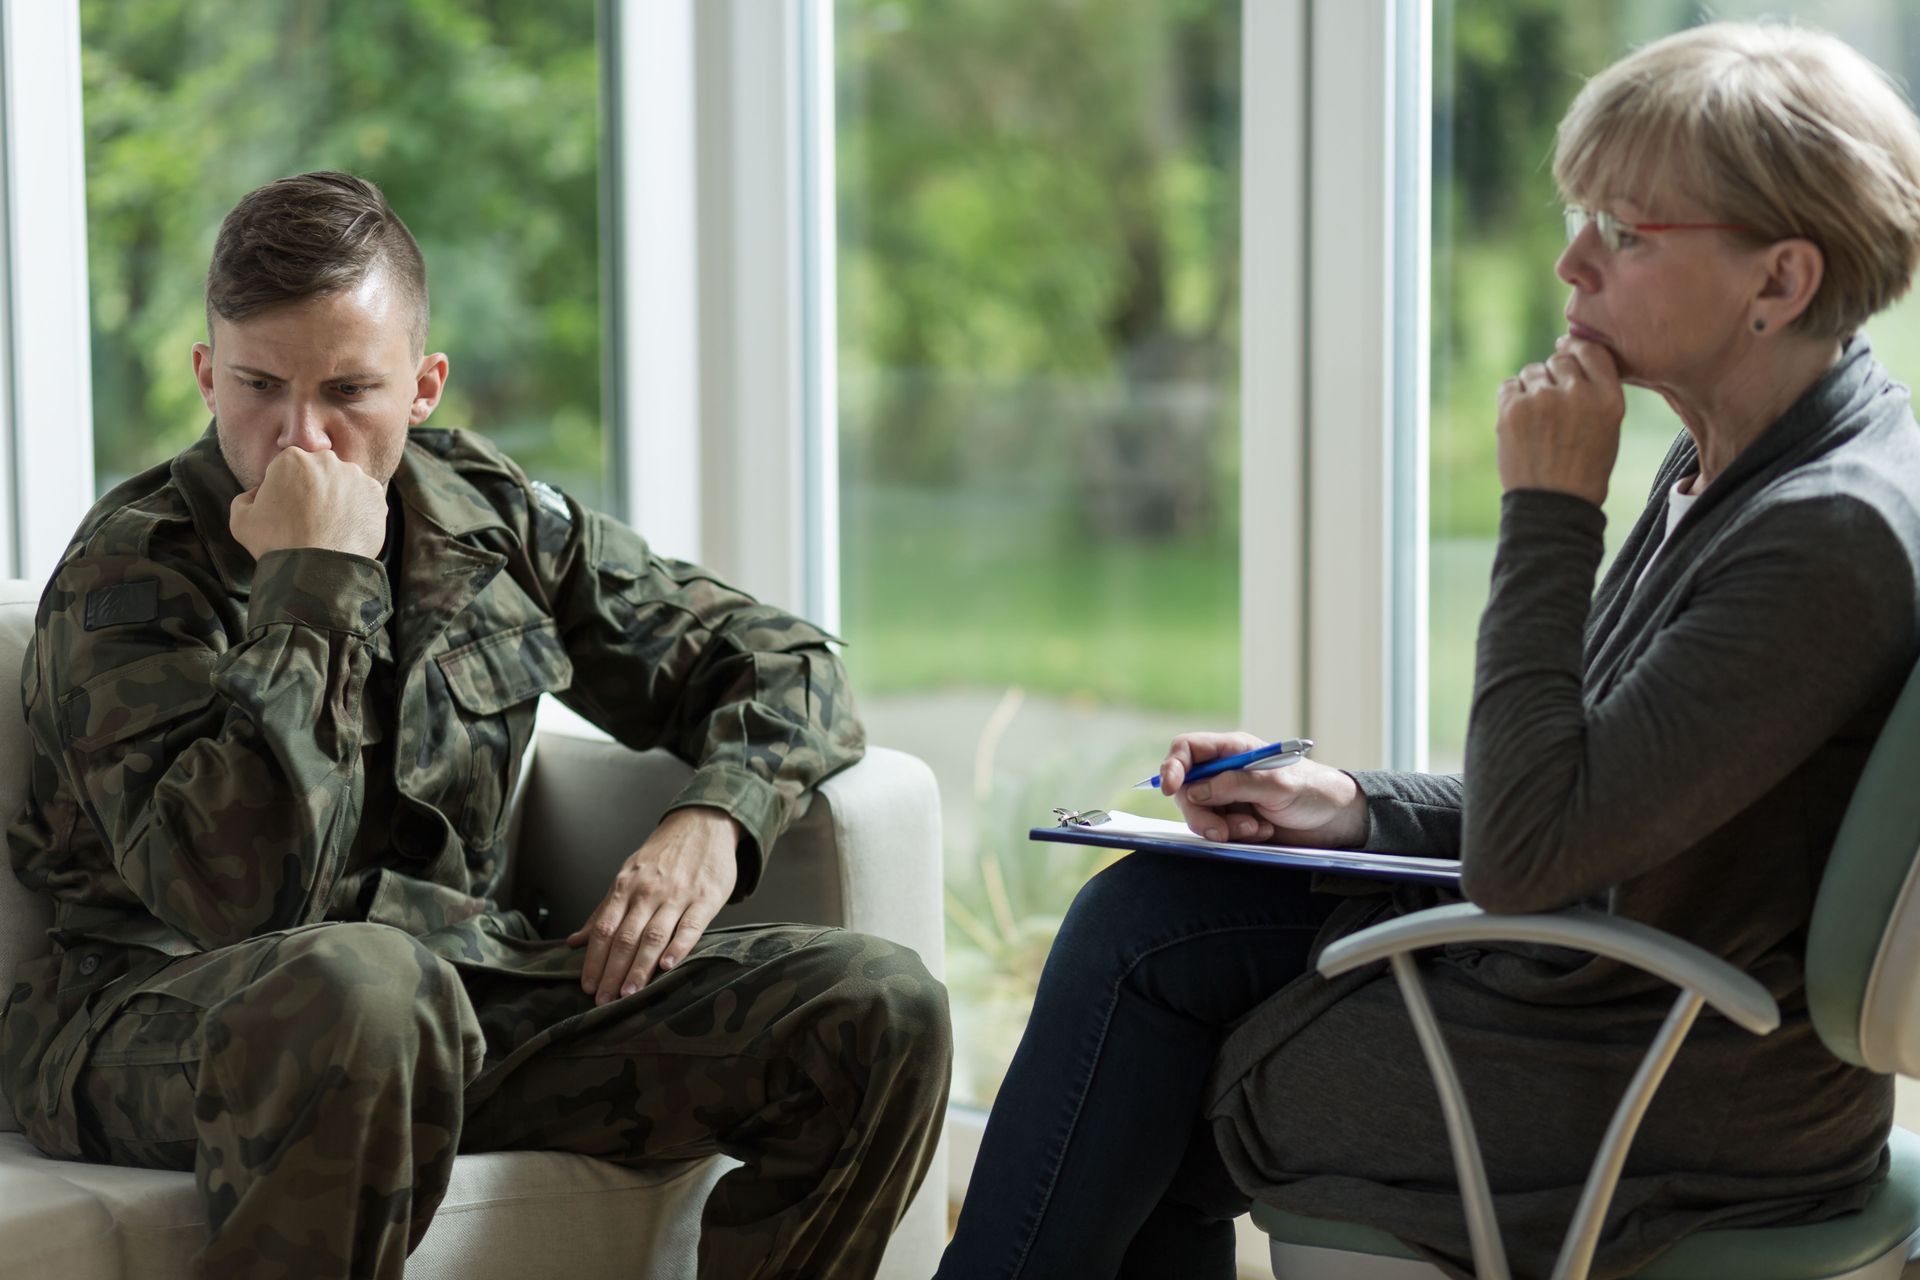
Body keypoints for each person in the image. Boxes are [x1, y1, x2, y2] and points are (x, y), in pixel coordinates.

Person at [935, 20, 1920, 1280]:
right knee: (1155, 916)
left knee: (1146, 1045)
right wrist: (1347, 803)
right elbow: (1607, 793)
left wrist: (1550, 509)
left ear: (1779, 282)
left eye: (1624, 231)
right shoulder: (1737, 459)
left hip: (1656, 1085)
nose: (1572, 265)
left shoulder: (1824, 533)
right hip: (1606, 992)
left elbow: (1528, 849)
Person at [0, 170, 950, 1280]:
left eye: (349, 389)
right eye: (259, 385)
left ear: (424, 385)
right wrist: (312, 578)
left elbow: (782, 660)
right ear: (207, 372)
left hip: (461, 997)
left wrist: (717, 817)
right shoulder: (132, 569)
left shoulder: (485, 515)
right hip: (163, 1019)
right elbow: (236, 898)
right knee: (368, 993)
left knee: (874, 1005)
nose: (300, 438)